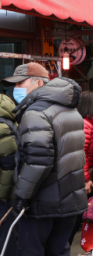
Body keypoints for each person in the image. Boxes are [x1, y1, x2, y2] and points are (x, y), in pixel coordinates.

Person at [4, 63, 87, 256]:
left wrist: (21, 196)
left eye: (20, 84)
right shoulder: (70, 109)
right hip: (70, 197)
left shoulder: (35, 112)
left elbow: (38, 161)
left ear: (39, 82)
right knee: (59, 250)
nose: (15, 89)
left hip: (43, 202)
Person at [68, 91, 93, 245]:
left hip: (87, 174)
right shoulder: (85, 126)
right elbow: (81, 155)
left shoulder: (91, 125)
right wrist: (86, 179)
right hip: (83, 177)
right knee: (74, 218)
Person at [0, 95, 18, 254]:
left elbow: (8, 165)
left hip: (3, 197)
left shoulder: (2, 127)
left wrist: (4, 195)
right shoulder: (10, 122)